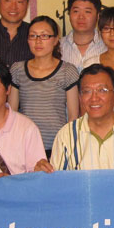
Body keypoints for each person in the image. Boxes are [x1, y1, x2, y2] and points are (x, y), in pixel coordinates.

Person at [41, 64, 114, 171]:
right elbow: (58, 182)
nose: (94, 98)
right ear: (80, 98)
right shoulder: (67, 135)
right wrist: (43, 171)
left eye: (102, 90)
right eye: (87, 91)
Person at [9, 16, 79, 156]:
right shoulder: (17, 69)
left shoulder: (67, 70)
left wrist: (67, 145)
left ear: (55, 40)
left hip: (57, 146)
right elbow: (12, 112)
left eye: (44, 36)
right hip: (25, 145)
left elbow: (73, 116)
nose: (38, 41)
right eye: (33, 36)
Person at [59, 0, 107, 71]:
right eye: (76, 11)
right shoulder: (58, 46)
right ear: (69, 14)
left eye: (87, 12)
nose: (81, 17)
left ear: (98, 16)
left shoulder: (107, 45)